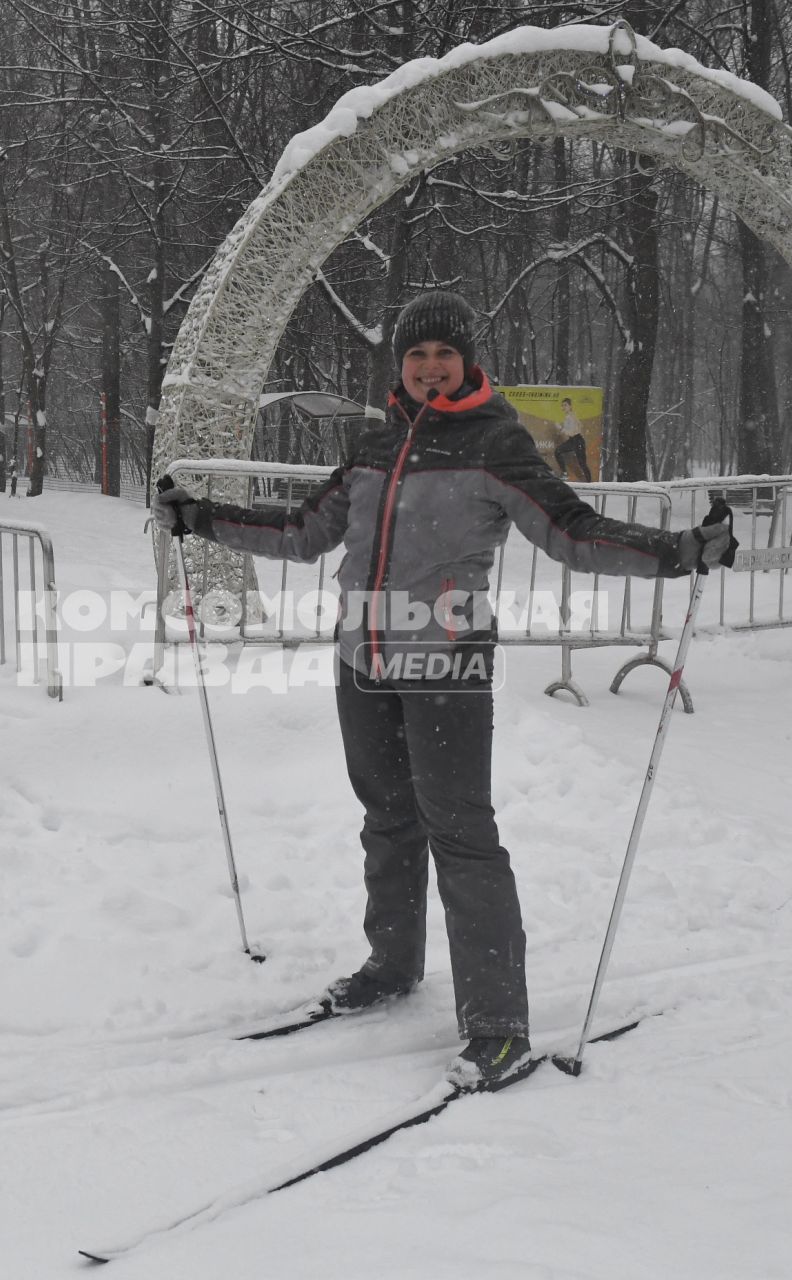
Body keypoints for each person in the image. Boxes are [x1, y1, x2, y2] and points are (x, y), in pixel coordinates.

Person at [153, 291, 735, 1090]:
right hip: (362, 663)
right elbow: (303, 533)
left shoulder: (496, 445)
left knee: (462, 836)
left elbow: (571, 531)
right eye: (416, 356)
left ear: (469, 363)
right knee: (386, 821)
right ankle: (392, 966)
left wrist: (678, 551)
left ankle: (498, 1024)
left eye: (443, 356)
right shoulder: (372, 445)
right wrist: (202, 517)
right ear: (401, 365)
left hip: (447, 666)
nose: (429, 369)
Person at [553, 396, 593, 482]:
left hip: (577, 440)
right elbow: (579, 426)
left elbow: (571, 432)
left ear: (570, 406)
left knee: (582, 463)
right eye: (562, 405)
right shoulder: (570, 416)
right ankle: (565, 474)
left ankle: (589, 483)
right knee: (558, 451)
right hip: (574, 440)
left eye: (565, 405)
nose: (563, 407)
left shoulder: (571, 417)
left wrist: (560, 428)